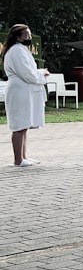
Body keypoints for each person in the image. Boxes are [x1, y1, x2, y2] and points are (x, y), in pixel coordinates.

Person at [2, 24, 48, 167]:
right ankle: (18, 159)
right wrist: (41, 75)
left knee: (24, 124)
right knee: (19, 125)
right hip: (19, 91)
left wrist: (39, 72)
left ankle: (23, 156)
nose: (29, 38)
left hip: (24, 90)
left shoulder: (21, 50)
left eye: (29, 35)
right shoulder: (16, 51)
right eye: (26, 36)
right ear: (17, 37)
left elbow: (27, 70)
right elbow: (26, 73)